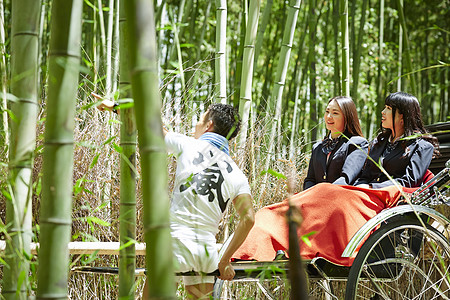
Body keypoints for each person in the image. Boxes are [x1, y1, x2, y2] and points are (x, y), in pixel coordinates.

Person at [232, 91, 438, 266]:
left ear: (402, 116)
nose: (382, 113)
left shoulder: (421, 146)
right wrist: (361, 186)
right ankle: (271, 238)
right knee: (323, 193)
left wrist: (369, 187)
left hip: (391, 195)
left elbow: (410, 181)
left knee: (331, 193)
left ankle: (320, 249)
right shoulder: (379, 143)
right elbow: (364, 174)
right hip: (365, 192)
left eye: (387, 109)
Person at [96, 97, 255, 299]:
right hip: (205, 251)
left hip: (174, 241)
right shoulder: (237, 174)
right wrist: (223, 260)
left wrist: (116, 106)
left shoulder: (187, 145)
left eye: (200, 119)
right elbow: (248, 218)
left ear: (209, 125)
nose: (196, 124)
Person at [303, 96, 368, 189]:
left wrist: (321, 194)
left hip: (341, 198)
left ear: (347, 117)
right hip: (314, 199)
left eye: (335, 113)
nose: (329, 116)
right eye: (327, 111)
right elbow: (310, 180)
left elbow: (346, 179)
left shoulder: (357, 143)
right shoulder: (317, 147)